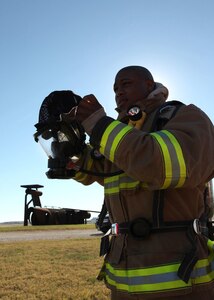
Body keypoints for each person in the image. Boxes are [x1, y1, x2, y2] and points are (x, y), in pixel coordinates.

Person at [65, 66, 214, 299]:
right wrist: (66, 147)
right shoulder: (119, 133)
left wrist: (99, 125)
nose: (119, 93)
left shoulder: (183, 116)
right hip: (123, 280)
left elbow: (158, 164)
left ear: (149, 84)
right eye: (115, 89)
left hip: (180, 281)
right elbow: (98, 172)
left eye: (126, 84)